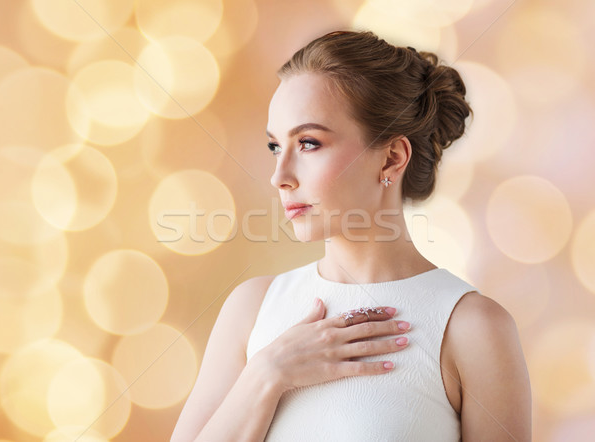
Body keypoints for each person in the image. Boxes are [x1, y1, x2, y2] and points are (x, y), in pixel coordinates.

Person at [171, 30, 531, 441]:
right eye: (275, 146)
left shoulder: (472, 329)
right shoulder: (251, 310)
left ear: (392, 157)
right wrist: (268, 374)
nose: (279, 176)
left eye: (308, 143)